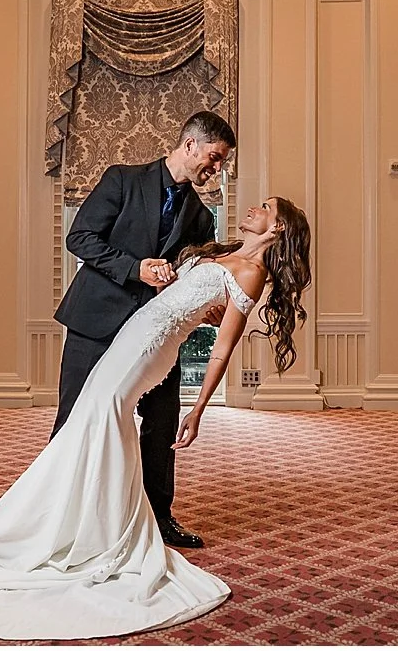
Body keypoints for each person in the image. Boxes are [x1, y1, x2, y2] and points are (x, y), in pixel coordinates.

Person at [0, 197, 313, 641]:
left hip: (151, 348)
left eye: (264, 208)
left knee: (103, 415)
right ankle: (85, 520)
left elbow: (223, 348)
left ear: (278, 229)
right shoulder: (224, 254)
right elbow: (183, 298)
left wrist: (197, 409)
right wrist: (180, 289)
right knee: (96, 419)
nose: (253, 210)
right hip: (135, 332)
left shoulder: (251, 272)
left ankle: (91, 530)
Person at [53, 109, 235, 551]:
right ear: (190, 144)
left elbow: (191, 270)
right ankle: (59, 515)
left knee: (160, 422)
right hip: (95, 322)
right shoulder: (122, 179)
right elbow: (80, 237)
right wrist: (136, 268)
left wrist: (203, 306)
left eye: (222, 163)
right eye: (213, 158)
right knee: (74, 418)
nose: (216, 169)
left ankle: (159, 518)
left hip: (155, 335)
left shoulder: (200, 214)